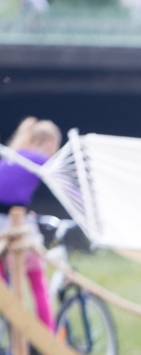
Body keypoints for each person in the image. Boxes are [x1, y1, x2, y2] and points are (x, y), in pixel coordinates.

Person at [0, 117, 63, 331]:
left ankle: (10, 348)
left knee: (4, 291)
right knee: (37, 283)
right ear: (49, 144)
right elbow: (65, 182)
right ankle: (47, 351)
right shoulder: (38, 158)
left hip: (6, 221)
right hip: (11, 226)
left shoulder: (13, 155)